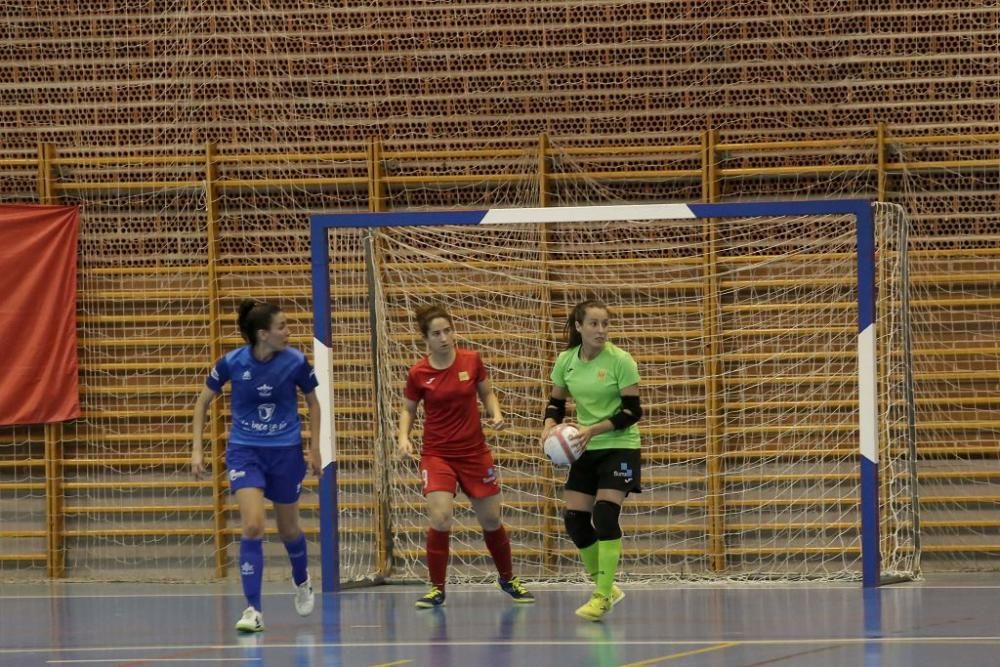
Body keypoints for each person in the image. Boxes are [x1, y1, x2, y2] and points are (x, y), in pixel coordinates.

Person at [192, 299, 322, 632]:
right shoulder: (232, 363)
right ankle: (253, 610)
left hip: (286, 451)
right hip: (245, 450)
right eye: (282, 326)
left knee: (289, 529)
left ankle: (302, 579)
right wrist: (197, 449)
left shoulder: (295, 362)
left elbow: (313, 402)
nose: (289, 332)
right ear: (263, 334)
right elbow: (203, 402)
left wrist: (315, 448)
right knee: (252, 526)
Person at [398, 304, 534, 609]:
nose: (445, 338)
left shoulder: (471, 361)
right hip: (437, 455)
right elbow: (408, 409)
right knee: (441, 517)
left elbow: (486, 392)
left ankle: (507, 578)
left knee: (490, 519)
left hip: (474, 453)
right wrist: (403, 437)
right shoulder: (419, 373)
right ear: (426, 339)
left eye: (448, 330)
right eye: (437, 333)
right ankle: (436, 588)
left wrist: (495, 413)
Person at [541, 299, 642, 621]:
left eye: (605, 324)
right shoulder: (566, 361)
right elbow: (555, 403)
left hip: (619, 445)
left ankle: (601, 595)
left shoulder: (620, 361)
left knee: (605, 515)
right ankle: (607, 584)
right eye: (594, 324)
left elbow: (632, 411)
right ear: (579, 327)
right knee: (574, 520)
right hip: (585, 449)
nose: (601, 330)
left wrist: (592, 429)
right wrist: (548, 427)